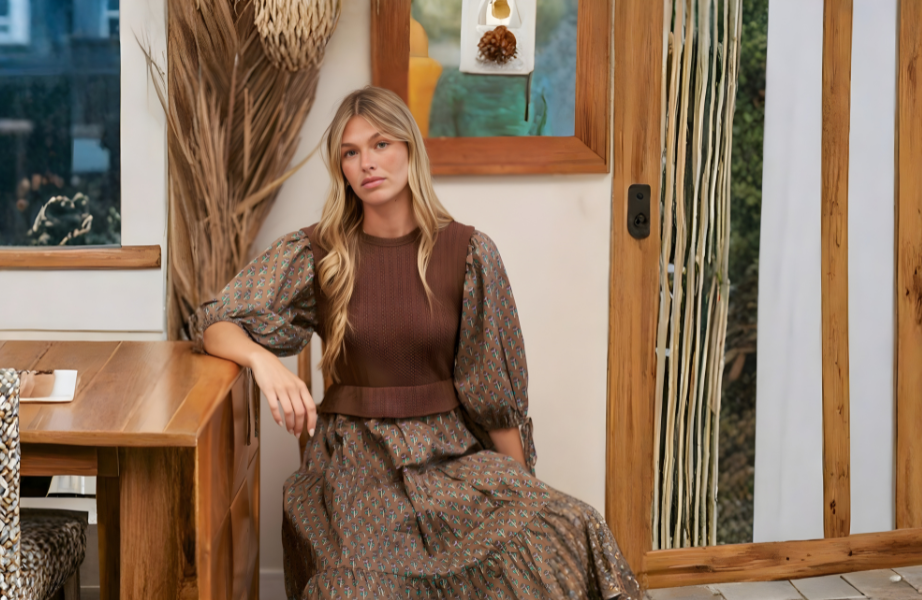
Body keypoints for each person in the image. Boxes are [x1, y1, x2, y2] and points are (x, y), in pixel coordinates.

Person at [195, 86, 641, 599]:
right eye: (350, 152)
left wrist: (524, 495)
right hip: (355, 465)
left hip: (449, 457)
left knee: (572, 526)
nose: (367, 163)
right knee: (358, 587)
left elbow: (495, 399)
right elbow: (215, 321)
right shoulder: (318, 251)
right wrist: (263, 361)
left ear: (410, 149)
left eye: (381, 144)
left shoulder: (469, 252)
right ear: (341, 168)